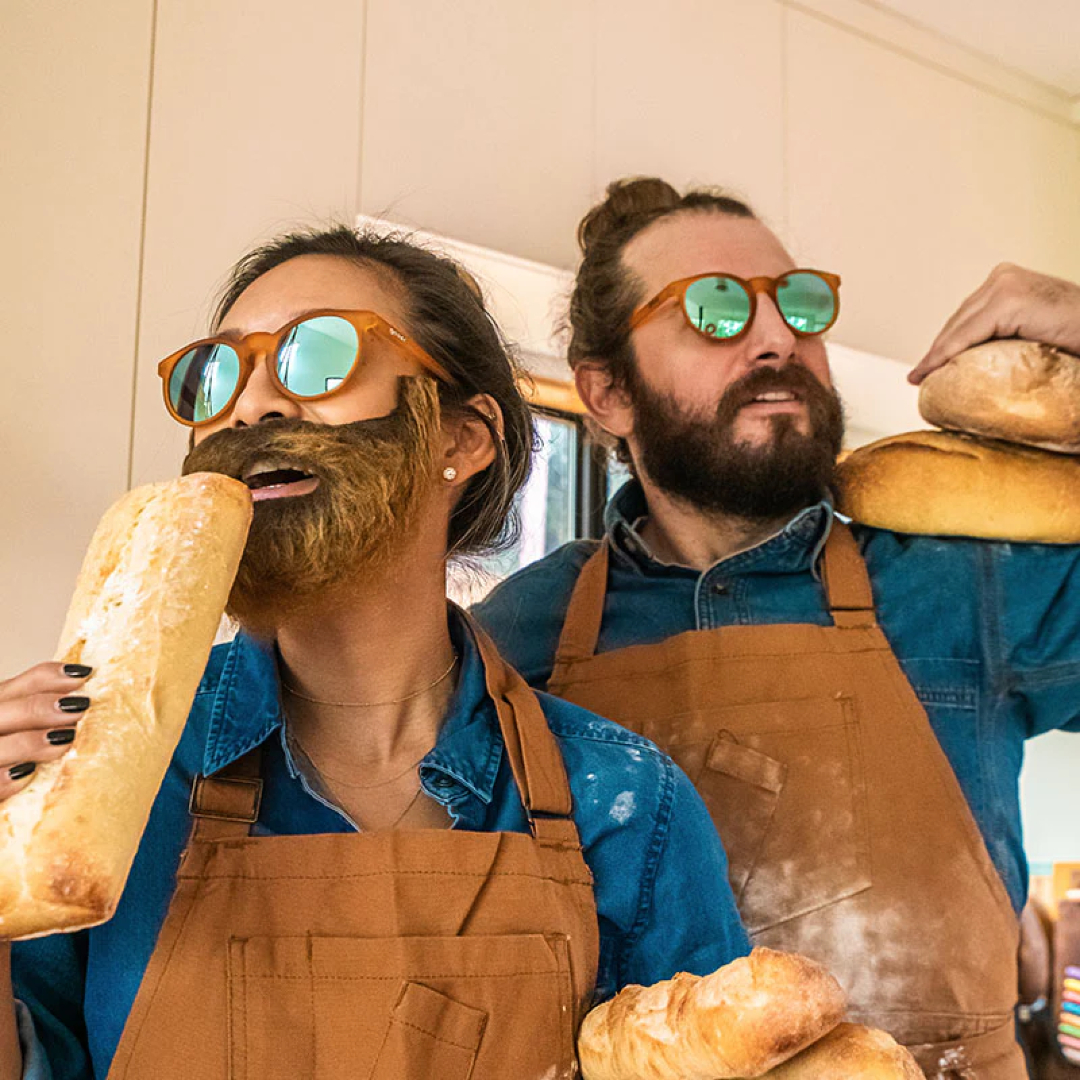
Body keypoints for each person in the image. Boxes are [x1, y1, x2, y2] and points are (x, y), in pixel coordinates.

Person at [0, 224, 752, 1080]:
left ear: (462, 439)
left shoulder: (621, 803)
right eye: (218, 375)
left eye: (317, 355)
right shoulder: (100, 773)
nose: (252, 407)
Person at [473, 176, 1080, 1079]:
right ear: (605, 394)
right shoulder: (516, 639)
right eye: (715, 310)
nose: (776, 336)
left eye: (797, 302)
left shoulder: (967, 582)